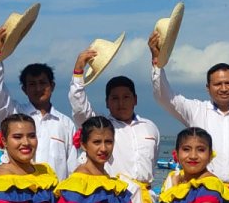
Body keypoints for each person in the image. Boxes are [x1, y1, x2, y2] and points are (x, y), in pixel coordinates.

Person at [148, 32, 229, 180]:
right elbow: (164, 97)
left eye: (228, 83)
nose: (223, 88)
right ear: (208, 88)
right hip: (205, 191)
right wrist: (157, 62)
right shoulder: (196, 110)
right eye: (217, 84)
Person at [0, 26, 78, 179]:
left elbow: (72, 168)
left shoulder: (66, 124)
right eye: (32, 84)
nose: (38, 88)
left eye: (43, 83)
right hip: (19, 195)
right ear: (24, 89)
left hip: (54, 199)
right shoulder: (13, 114)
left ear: (52, 86)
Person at [69, 48, 161, 184]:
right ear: (107, 102)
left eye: (126, 97)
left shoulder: (150, 127)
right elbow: (80, 108)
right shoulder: (101, 128)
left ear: (135, 99)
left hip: (146, 198)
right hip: (115, 196)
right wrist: (78, 73)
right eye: (115, 98)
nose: (121, 103)